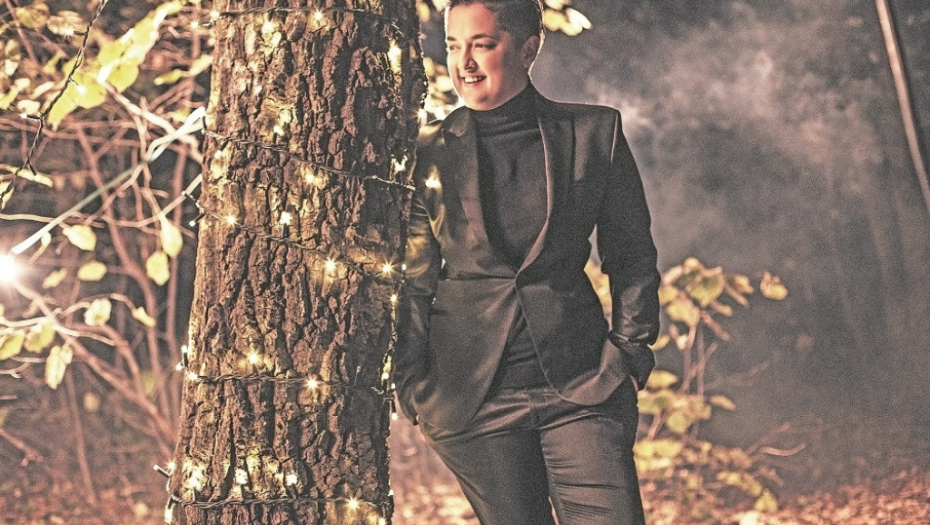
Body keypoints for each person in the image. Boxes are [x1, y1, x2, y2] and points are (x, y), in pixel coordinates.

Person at [394, 0, 660, 523]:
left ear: (527, 48)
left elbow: (631, 255)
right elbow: (414, 279)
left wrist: (631, 353)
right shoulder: (428, 151)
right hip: (471, 398)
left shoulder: (593, 133)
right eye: (453, 46)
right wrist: (412, 385)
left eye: (482, 45)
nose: (464, 63)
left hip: (583, 387)